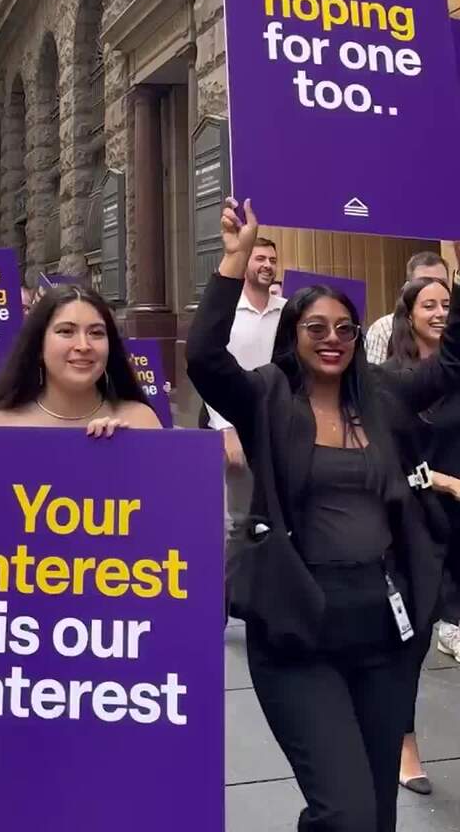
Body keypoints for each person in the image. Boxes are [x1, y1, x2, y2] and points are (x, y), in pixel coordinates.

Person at [187, 199, 460, 832]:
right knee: (345, 810)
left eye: (344, 328)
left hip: (384, 632)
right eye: (316, 328)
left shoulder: (384, 397)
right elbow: (203, 358)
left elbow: (450, 365)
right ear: (295, 334)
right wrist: (233, 258)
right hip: (298, 631)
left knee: (376, 813)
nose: (332, 339)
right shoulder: (266, 397)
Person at [0, 284, 162, 744]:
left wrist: (127, 458)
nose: (83, 345)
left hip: (116, 651)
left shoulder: (141, 422)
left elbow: (168, 547)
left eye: (96, 333)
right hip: (19, 644)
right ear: (39, 343)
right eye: (66, 331)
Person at [385, 278, 460, 795]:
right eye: (428, 305)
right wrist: (438, 480)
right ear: (408, 315)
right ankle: (404, 743)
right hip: (418, 522)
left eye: (446, 305)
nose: (438, 313)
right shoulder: (391, 379)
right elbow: (388, 457)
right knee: (411, 644)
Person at [202, 236, 285, 533]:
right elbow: (208, 371)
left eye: (273, 260)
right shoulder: (228, 313)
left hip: (277, 421)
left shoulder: (288, 312)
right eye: (260, 259)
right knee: (234, 515)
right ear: (246, 262)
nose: (267, 266)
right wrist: (225, 428)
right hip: (230, 426)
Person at [365, 251, 449, 365]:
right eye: (425, 282)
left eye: (442, 282)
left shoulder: (454, 326)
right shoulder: (383, 329)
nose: (435, 288)